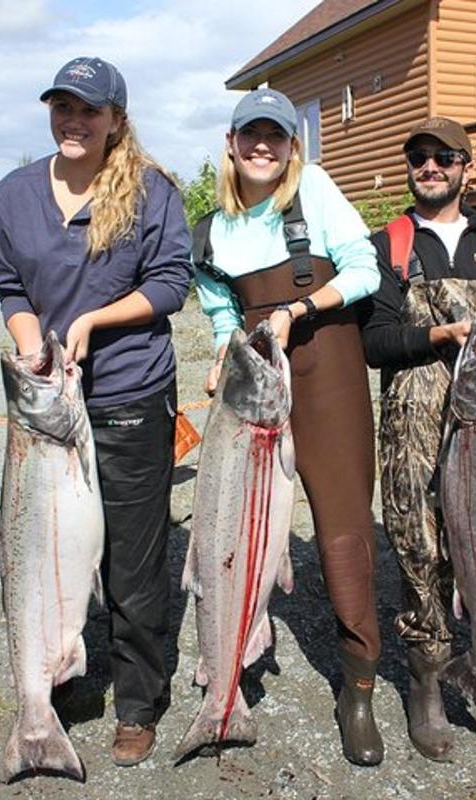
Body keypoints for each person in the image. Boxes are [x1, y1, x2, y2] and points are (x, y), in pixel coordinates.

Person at [0, 56, 192, 767]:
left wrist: (95, 321)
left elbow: (170, 283)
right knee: (35, 553)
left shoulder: (152, 191)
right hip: (46, 404)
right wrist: (28, 347)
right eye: (61, 107)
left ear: (115, 120)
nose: (73, 121)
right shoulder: (11, 196)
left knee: (134, 563)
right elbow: (11, 288)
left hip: (131, 395)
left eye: (88, 111)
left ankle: (137, 703)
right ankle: (54, 684)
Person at [192, 88, 385, 766]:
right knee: (234, 529)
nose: (263, 147)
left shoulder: (317, 192)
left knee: (342, 529)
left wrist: (297, 311)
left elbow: (366, 269)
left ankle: (357, 687)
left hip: (325, 369)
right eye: (252, 136)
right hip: (253, 379)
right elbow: (220, 310)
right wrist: (222, 347)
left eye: (276, 135)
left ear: (292, 144)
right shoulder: (211, 229)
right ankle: (227, 665)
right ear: (233, 144)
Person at [358, 117, 476, 762]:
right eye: (419, 157)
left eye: (444, 157)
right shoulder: (388, 243)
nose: (431, 166)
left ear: (468, 168)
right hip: (415, 418)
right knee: (420, 549)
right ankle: (429, 689)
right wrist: (434, 338)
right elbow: (373, 341)